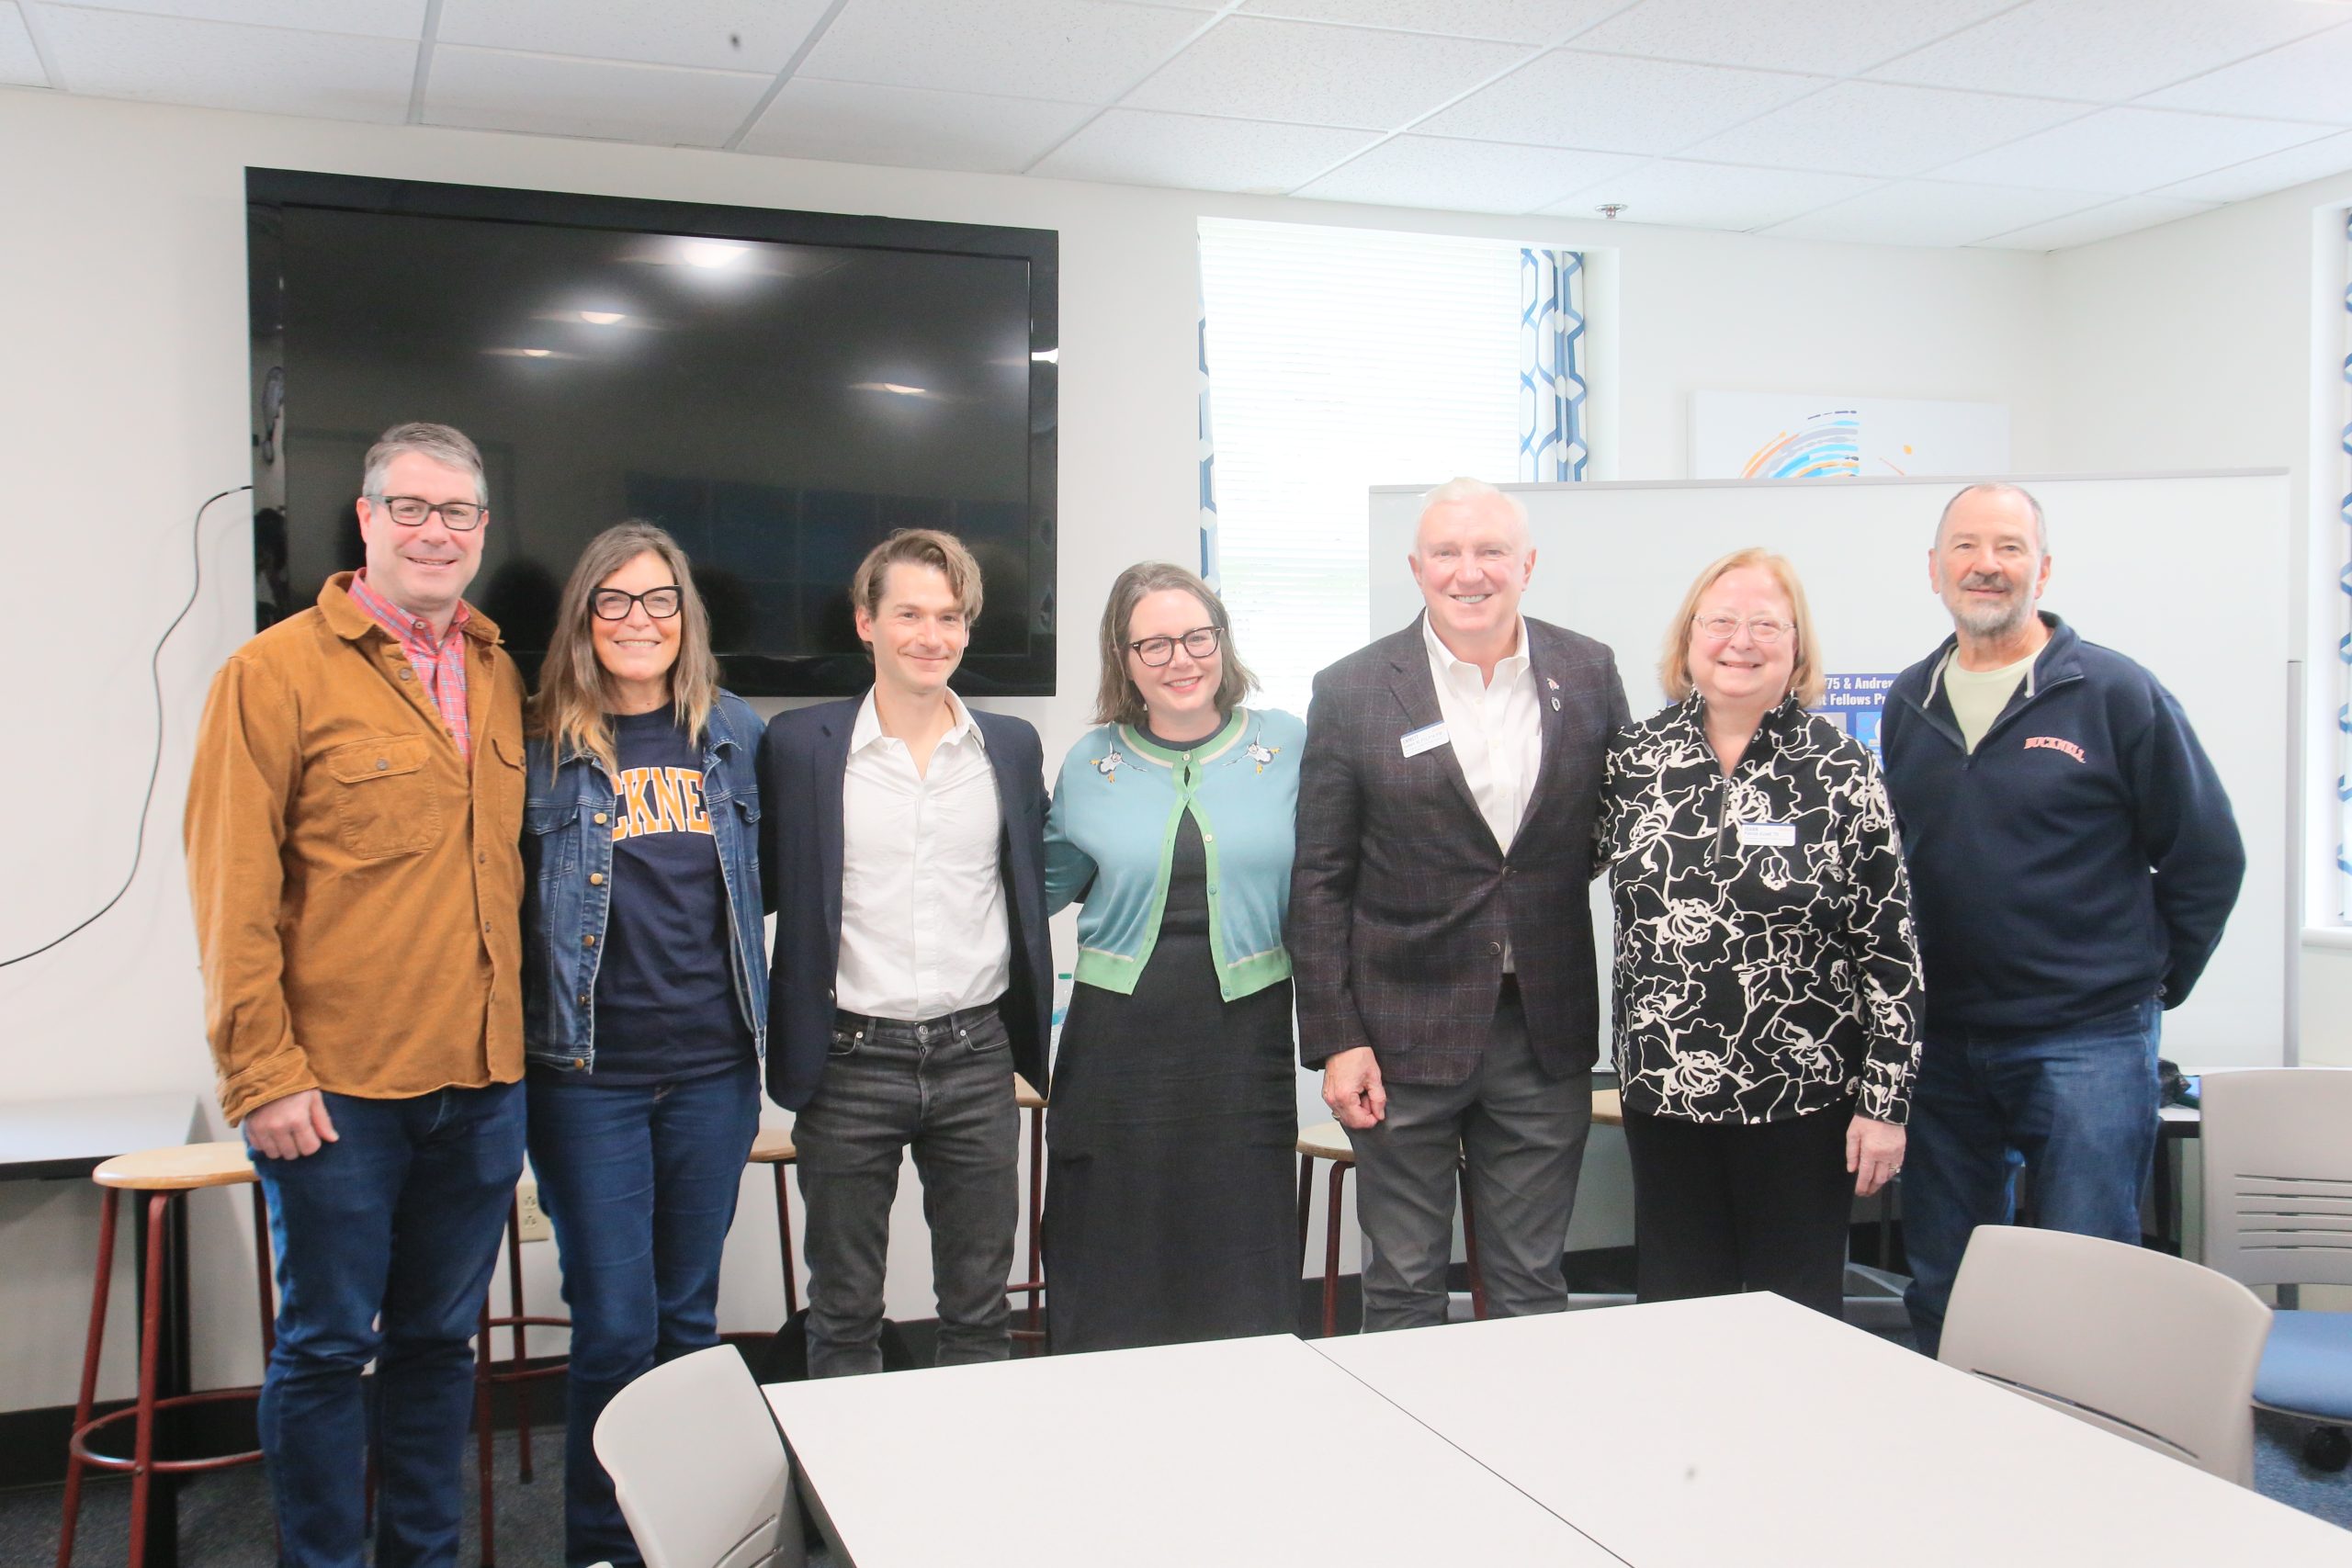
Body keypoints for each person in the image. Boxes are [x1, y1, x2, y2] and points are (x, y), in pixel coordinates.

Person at [184, 423, 527, 1567]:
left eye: (459, 513)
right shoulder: (270, 674)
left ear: (483, 530)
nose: (437, 532)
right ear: (367, 518)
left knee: (439, 1346)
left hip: (479, 1086)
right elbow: (231, 894)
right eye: (412, 509)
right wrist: (262, 1074)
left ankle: (422, 1556)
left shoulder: (495, 668)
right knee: (328, 1349)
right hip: (334, 1096)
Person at [1880, 482, 2245, 1357]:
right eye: (1966, 546)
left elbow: (2207, 855)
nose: (1987, 564)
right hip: (1946, 1043)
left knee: (2086, 1274)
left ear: (2043, 568)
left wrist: (2153, 980)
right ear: (1934, 570)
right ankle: (1956, 1447)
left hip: (2087, 1041)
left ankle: (2087, 1464)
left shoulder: (2114, 692)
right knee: (1947, 1274)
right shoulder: (1908, 700)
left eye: (2009, 546)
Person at [1290, 476, 1629, 1329]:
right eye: (1447, 552)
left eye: (1490, 552)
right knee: (1403, 1285)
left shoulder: (1588, 671)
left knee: (1530, 1287)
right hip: (1399, 1033)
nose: (1468, 572)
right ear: (1416, 566)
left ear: (1528, 564)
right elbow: (1320, 879)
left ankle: (1525, 1458)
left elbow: (1604, 830)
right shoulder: (1354, 689)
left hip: (1541, 1029)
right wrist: (1337, 1039)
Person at [520, 522, 767, 1567]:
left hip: (714, 1071)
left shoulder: (737, 735)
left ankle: (694, 1543)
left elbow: (781, 891)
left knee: (687, 1324)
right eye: (614, 601)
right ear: (583, 617)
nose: (637, 621)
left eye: (658, 600)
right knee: (615, 1327)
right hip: (588, 1079)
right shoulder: (537, 744)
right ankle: (601, 1548)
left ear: (685, 618)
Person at [1599, 548, 1922, 1320]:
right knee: (1678, 1311)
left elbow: (1890, 948)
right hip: (1665, 1095)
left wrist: (1886, 1102)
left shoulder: (1842, 768)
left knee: (1796, 1317)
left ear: (1797, 647)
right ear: (1687, 641)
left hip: (1804, 1104)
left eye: (1766, 625)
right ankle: (1685, 1447)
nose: (1740, 641)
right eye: (1720, 621)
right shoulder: (1631, 760)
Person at [758, 528, 1052, 1376]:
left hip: (975, 1058)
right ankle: (846, 1505)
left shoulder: (1010, 746)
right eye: (910, 614)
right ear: (865, 622)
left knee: (979, 1310)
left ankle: (973, 1498)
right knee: (844, 1312)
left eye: (951, 616)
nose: (933, 635)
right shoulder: (801, 747)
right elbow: (768, 882)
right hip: (850, 1058)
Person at [1042, 562, 1307, 1350]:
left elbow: (1338, 874)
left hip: (1244, 1032)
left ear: (1222, 641)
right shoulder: (1092, 762)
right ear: (1122, 660)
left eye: (1196, 636)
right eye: (1152, 644)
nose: (1179, 658)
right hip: (1115, 1040)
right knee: (1113, 1237)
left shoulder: (1287, 742)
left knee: (1239, 1234)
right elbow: (1038, 887)